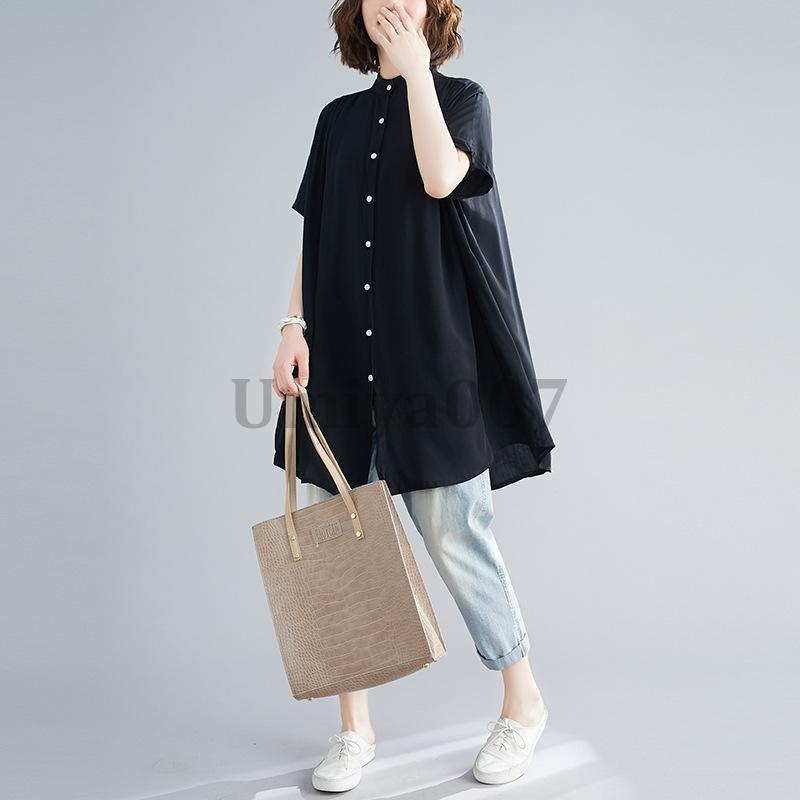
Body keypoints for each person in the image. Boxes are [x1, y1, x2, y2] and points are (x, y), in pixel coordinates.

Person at [271, 0, 555, 790]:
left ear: (436, 10)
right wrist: (292, 325)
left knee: (457, 533)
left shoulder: (463, 102)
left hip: (431, 359)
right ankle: (353, 730)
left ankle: (523, 703)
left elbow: (440, 178)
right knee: (339, 542)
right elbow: (315, 230)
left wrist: (418, 74)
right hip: (339, 358)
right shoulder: (336, 121)